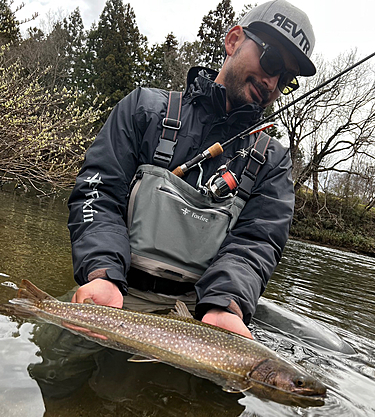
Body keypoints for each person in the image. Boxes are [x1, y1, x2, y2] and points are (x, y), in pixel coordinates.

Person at [68, 0, 316, 340]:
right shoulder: (144, 109)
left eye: (286, 79)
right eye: (271, 60)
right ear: (233, 41)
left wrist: (225, 306)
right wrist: (102, 273)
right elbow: (98, 193)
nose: (272, 83)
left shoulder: (272, 162)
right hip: (113, 291)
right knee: (55, 378)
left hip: (202, 316)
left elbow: (255, 243)